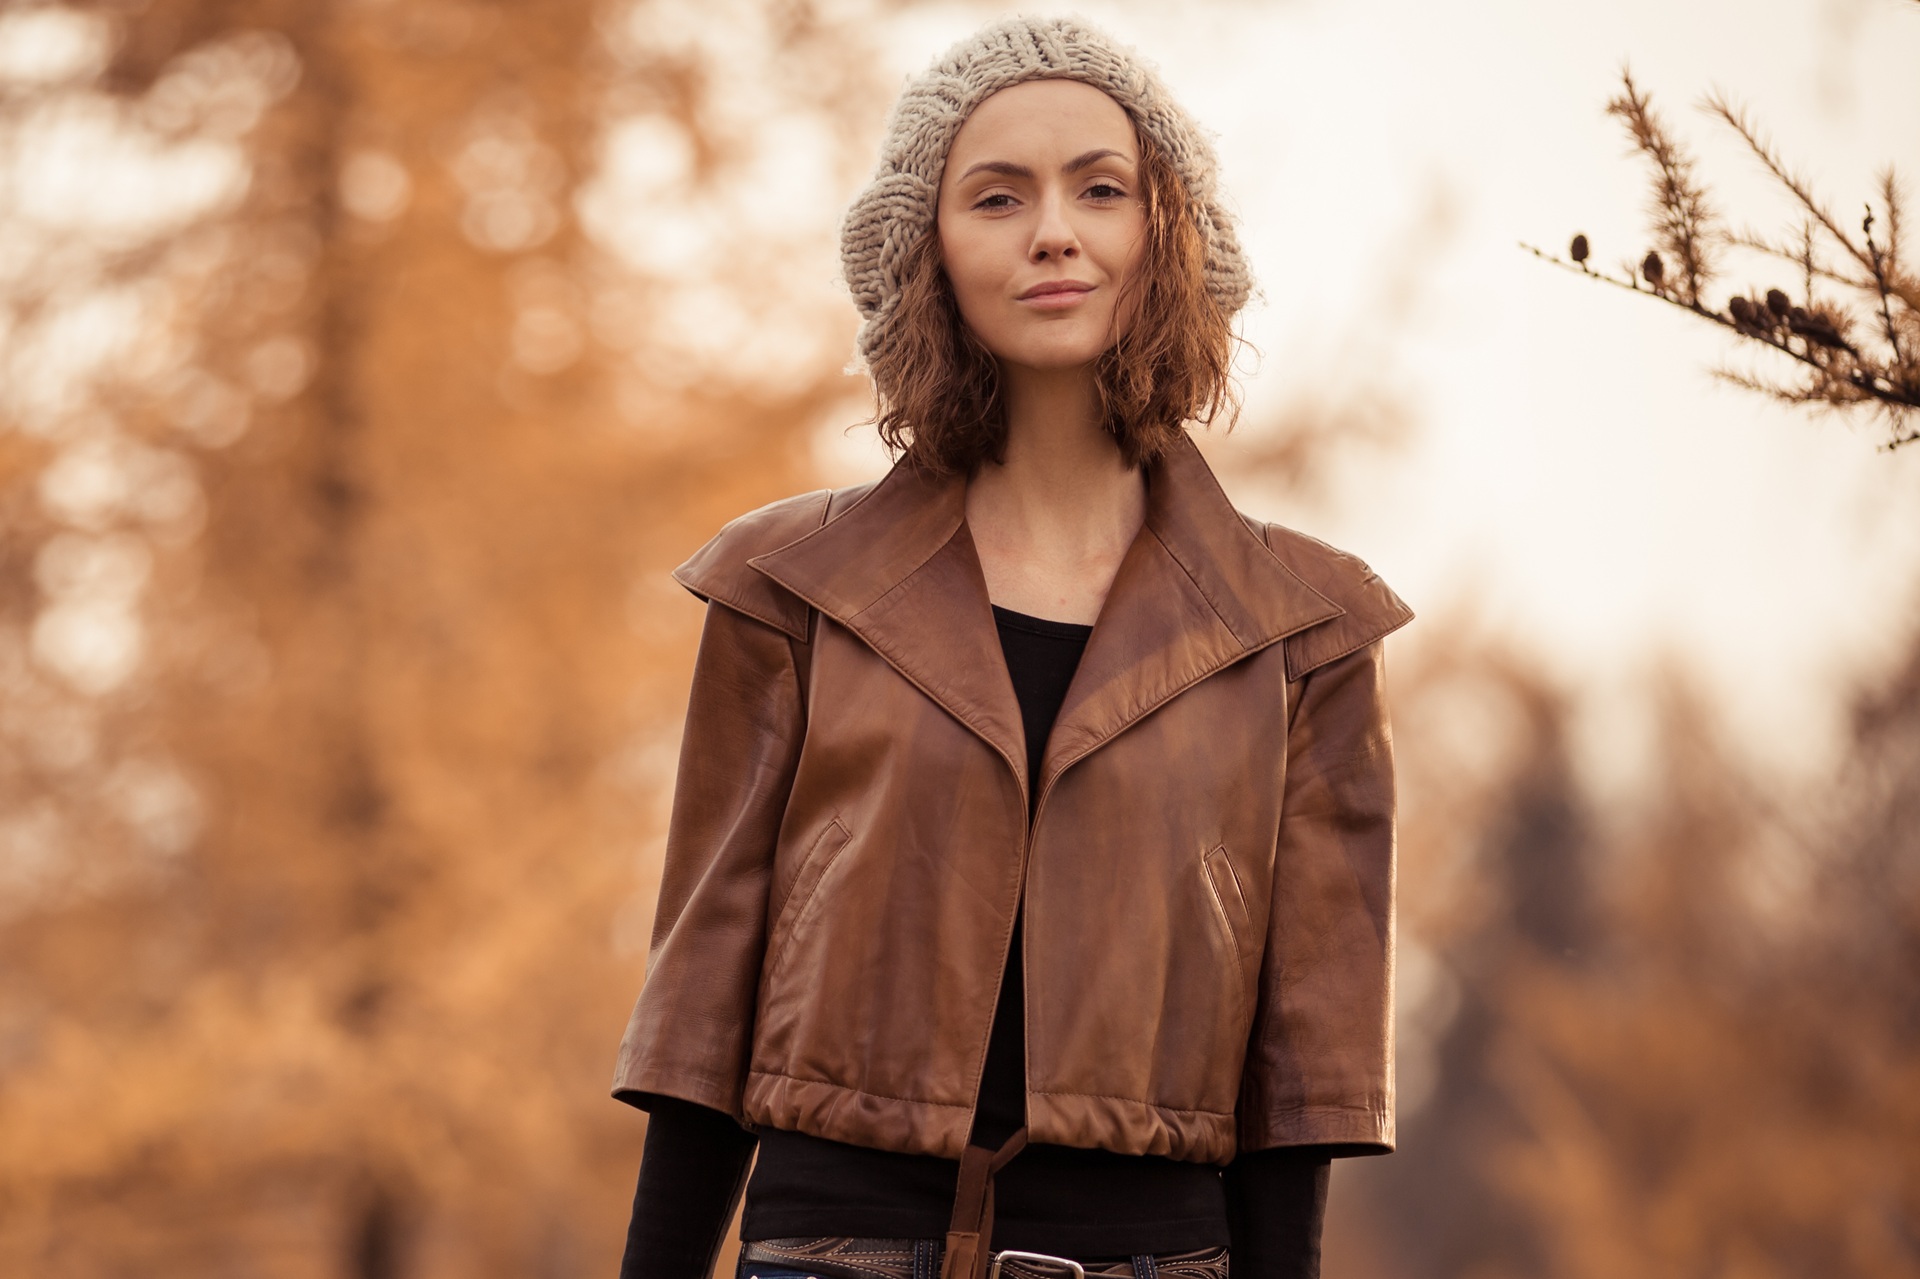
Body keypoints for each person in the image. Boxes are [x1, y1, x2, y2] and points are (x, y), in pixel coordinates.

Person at [611, 15, 1412, 1279]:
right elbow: (699, 1025)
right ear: (924, 247)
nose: (1054, 230)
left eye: (1101, 189)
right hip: (830, 1255)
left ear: (1168, 235)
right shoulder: (788, 589)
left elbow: (1299, 1088)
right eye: (997, 195)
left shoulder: (1304, 633)